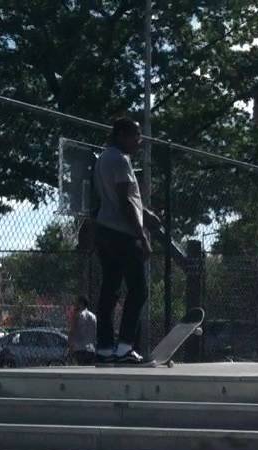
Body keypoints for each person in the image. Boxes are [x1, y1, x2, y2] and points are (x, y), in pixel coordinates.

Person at [92, 117, 162, 364]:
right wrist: (142, 235)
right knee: (139, 290)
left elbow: (119, 199)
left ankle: (104, 348)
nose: (139, 141)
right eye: (136, 135)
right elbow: (124, 201)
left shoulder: (103, 158)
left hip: (105, 231)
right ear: (121, 134)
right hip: (123, 234)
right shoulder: (121, 160)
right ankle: (125, 347)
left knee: (110, 290)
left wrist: (145, 212)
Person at [67, 296, 98, 365]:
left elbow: (73, 329)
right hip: (91, 348)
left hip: (79, 348)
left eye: (76, 303)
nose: (75, 305)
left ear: (81, 303)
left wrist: (70, 343)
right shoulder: (93, 316)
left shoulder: (77, 315)